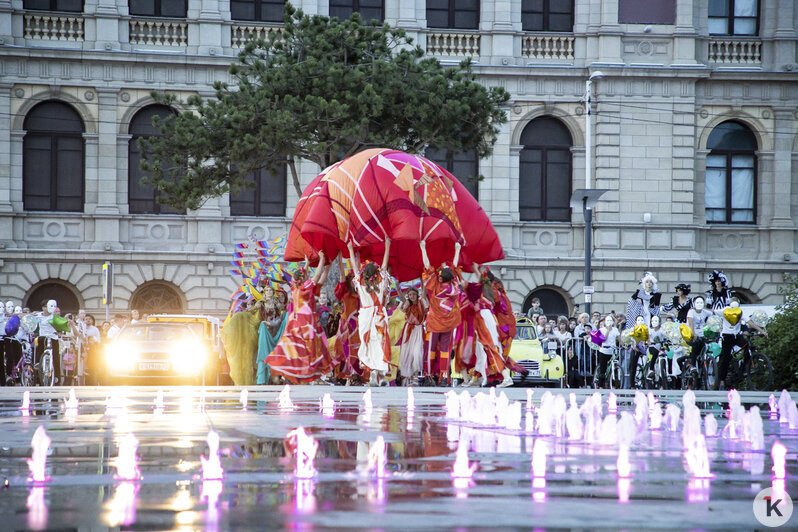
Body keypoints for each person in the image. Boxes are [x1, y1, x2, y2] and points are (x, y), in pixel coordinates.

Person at [266, 252, 333, 384]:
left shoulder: (294, 288)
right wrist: (322, 259)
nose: (308, 277)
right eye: (306, 276)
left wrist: (307, 263)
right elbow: (317, 276)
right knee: (312, 351)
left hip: (297, 325)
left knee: (303, 351)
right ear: (303, 279)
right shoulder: (304, 288)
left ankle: (305, 377)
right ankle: (311, 377)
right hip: (306, 325)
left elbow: (310, 277)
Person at [348, 240, 392, 386]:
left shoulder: (360, 282)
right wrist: (387, 245)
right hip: (379, 315)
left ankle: (372, 369)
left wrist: (350, 249)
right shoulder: (381, 281)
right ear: (376, 272)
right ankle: (376, 372)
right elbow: (385, 265)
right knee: (379, 343)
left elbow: (354, 267)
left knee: (367, 343)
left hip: (366, 315)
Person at [420, 240, 462, 387]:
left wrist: (423, 248)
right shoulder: (454, 286)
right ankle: (444, 377)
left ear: (440, 277)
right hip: (449, 324)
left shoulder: (435, 285)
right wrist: (457, 249)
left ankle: (428, 376)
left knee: (430, 349)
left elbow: (426, 267)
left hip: (434, 324)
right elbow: (455, 268)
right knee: (445, 350)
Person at [713, 298, 766, 390]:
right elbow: (713, 312)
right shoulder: (724, 310)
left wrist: (761, 331)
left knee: (748, 346)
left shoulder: (740, 312)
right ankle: (722, 380)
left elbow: (749, 322)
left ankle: (743, 369)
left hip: (737, 336)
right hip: (727, 336)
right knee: (725, 358)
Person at [334, 260, 363, 384]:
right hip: (346, 325)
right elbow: (341, 276)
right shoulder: (343, 292)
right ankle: (344, 375)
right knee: (343, 348)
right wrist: (340, 259)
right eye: (351, 278)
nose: (353, 280)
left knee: (357, 349)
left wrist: (358, 256)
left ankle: (356, 374)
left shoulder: (361, 292)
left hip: (358, 325)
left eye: (354, 278)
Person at [398, 286, 427, 386]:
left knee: (417, 353)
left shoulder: (421, 302)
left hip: (418, 330)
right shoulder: (407, 304)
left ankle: (415, 377)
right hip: (408, 331)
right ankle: (408, 377)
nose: (412, 296)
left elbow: (424, 293)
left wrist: (424, 280)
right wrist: (397, 286)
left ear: (417, 294)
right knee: (407, 353)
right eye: (410, 295)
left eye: (414, 294)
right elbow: (401, 297)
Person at [256, 297, 288, 385]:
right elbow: (276, 321)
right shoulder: (261, 307)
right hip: (268, 334)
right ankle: (263, 380)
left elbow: (278, 321)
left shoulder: (285, 313)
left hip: (280, 336)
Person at [684, 295, 712, 368]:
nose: (699, 304)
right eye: (697, 303)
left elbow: (713, 313)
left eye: (701, 303)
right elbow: (691, 323)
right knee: (695, 344)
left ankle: (700, 370)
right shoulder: (691, 312)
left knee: (702, 350)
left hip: (701, 335)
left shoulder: (704, 312)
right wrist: (693, 334)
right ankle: (693, 366)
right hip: (691, 335)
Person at [595, 314, 620, 388]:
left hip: (612, 351)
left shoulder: (615, 330)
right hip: (604, 351)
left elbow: (619, 339)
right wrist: (608, 331)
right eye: (607, 320)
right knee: (603, 369)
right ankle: (600, 384)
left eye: (610, 320)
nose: (609, 322)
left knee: (614, 367)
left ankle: (615, 383)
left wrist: (624, 345)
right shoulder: (601, 330)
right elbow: (603, 339)